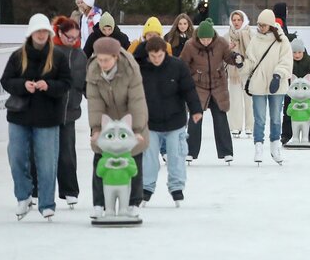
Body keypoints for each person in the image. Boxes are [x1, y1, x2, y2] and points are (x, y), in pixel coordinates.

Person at [0, 14, 71, 219]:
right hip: (19, 116)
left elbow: (66, 83)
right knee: (17, 157)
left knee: (47, 161)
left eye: (44, 32)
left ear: (49, 34)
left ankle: (47, 203)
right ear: (30, 34)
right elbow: (6, 81)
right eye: (38, 31)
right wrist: (23, 85)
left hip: (48, 117)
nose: (41, 35)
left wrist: (49, 86)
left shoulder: (57, 56)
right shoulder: (17, 56)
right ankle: (24, 196)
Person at [87, 36, 149, 219]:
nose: (102, 63)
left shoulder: (130, 69)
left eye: (106, 60)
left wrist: (136, 130)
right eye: (100, 60)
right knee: (100, 157)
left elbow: (137, 101)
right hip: (106, 117)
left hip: (129, 116)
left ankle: (133, 202)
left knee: (134, 157)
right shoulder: (93, 70)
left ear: (116, 57)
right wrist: (96, 129)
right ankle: (99, 204)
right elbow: (94, 102)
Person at [140, 36, 202, 206]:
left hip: (175, 120)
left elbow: (189, 89)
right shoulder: (142, 68)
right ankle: (146, 187)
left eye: (159, 56)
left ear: (165, 53)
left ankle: (176, 188)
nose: (156, 60)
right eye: (152, 56)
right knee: (149, 157)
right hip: (151, 122)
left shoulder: (177, 65)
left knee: (176, 155)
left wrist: (196, 109)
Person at [178, 19, 241, 163]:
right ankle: (190, 152)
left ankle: (226, 152)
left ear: (213, 36)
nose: (205, 41)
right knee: (196, 118)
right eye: (202, 39)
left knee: (220, 118)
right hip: (198, 86)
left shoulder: (221, 43)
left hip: (218, 85)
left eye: (208, 39)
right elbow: (182, 64)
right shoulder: (190, 46)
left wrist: (237, 58)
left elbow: (228, 56)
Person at [243, 8, 293, 164]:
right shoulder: (255, 39)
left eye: (263, 25)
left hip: (276, 84)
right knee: (259, 118)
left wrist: (278, 75)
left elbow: (286, 61)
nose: (260, 27)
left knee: (276, 118)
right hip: (259, 83)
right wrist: (240, 63)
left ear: (271, 25)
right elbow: (250, 62)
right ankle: (258, 146)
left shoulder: (282, 40)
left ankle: (274, 146)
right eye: (259, 24)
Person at [51, 17, 86, 208]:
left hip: (70, 112)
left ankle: (70, 191)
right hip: (48, 112)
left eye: (76, 38)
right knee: (43, 154)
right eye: (69, 37)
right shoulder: (50, 52)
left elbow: (87, 84)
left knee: (67, 154)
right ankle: (36, 191)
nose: (73, 41)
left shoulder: (80, 55)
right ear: (59, 33)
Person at [281, 37, 310, 144]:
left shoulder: (308, 60)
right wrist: (285, 89)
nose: (297, 55)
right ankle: (286, 135)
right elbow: (284, 74)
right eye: (294, 52)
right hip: (290, 93)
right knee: (288, 113)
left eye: (299, 52)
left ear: (303, 51)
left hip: (305, 95)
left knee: (309, 113)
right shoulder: (287, 60)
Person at [225, 9, 254, 136]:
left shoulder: (250, 33)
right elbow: (222, 54)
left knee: (249, 99)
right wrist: (229, 48)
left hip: (247, 70)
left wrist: (244, 38)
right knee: (235, 99)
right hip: (234, 72)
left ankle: (250, 126)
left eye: (239, 20)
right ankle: (235, 126)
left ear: (243, 20)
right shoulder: (227, 36)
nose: (236, 22)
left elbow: (253, 51)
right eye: (234, 20)